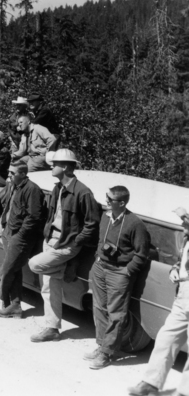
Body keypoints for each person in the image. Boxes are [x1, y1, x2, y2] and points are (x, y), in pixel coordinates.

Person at [28, 148, 101, 343]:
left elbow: (92, 224)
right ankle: (52, 328)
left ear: (67, 167)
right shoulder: (57, 188)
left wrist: (76, 243)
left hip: (66, 245)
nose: (51, 166)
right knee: (49, 286)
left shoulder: (83, 192)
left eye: (56, 163)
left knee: (35, 264)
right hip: (51, 241)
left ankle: (66, 264)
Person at [84, 185, 150, 369]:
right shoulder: (106, 217)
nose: (106, 201)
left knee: (116, 314)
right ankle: (101, 345)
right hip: (100, 267)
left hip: (119, 272)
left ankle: (107, 353)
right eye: (106, 197)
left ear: (121, 203)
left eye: (109, 199)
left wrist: (127, 270)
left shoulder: (135, 224)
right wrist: (98, 257)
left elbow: (142, 253)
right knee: (99, 307)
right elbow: (99, 240)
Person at [129, 207, 189, 396]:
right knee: (166, 338)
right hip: (184, 297)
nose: (183, 226)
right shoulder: (187, 236)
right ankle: (150, 384)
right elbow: (184, 259)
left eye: (185, 223)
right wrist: (176, 268)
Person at [0, 164, 46, 318]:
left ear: (23, 174)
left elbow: (34, 217)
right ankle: (14, 305)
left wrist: (20, 235)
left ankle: (5, 301)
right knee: (14, 270)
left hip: (20, 236)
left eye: (12, 172)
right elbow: (8, 207)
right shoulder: (14, 186)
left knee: (6, 270)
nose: (9, 175)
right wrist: (2, 223)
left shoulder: (32, 189)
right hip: (9, 232)